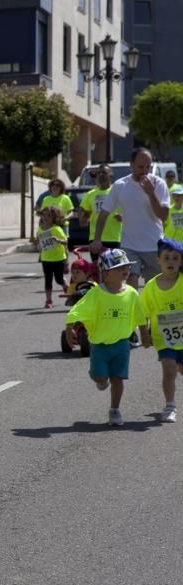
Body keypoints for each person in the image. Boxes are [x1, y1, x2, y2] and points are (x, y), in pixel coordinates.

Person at [65, 248, 148, 426]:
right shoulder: (96, 294)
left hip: (121, 344)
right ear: (107, 273)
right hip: (99, 345)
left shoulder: (131, 293)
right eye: (119, 267)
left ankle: (115, 410)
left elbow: (140, 315)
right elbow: (76, 311)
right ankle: (98, 377)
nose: (125, 270)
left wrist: (144, 335)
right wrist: (69, 328)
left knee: (118, 378)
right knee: (101, 378)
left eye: (126, 266)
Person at [90, 147, 170, 289]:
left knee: (153, 285)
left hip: (153, 244)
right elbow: (103, 214)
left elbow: (163, 215)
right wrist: (97, 239)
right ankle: (133, 310)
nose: (145, 171)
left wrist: (151, 193)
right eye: (140, 166)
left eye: (148, 167)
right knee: (131, 277)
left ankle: (149, 310)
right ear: (131, 165)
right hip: (129, 245)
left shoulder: (158, 184)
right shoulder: (120, 185)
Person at [140, 238, 183, 423]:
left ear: (181, 262)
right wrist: (144, 334)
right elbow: (142, 313)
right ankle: (170, 405)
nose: (171, 261)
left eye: (175, 258)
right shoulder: (150, 287)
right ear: (158, 260)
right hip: (163, 337)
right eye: (166, 257)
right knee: (169, 370)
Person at [78, 164, 123, 264]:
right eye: (99, 173)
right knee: (96, 270)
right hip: (95, 239)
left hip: (113, 238)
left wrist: (122, 217)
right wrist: (83, 218)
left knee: (113, 269)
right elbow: (84, 214)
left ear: (110, 175)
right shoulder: (90, 194)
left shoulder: (117, 193)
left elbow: (129, 212)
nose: (101, 175)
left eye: (104, 173)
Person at [34, 205, 68, 308]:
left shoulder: (56, 229)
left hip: (58, 258)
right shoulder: (40, 229)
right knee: (48, 280)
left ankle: (66, 287)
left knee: (59, 279)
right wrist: (36, 243)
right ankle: (48, 300)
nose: (46, 217)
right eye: (44, 215)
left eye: (49, 215)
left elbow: (66, 241)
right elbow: (39, 243)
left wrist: (58, 240)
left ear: (54, 217)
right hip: (46, 259)